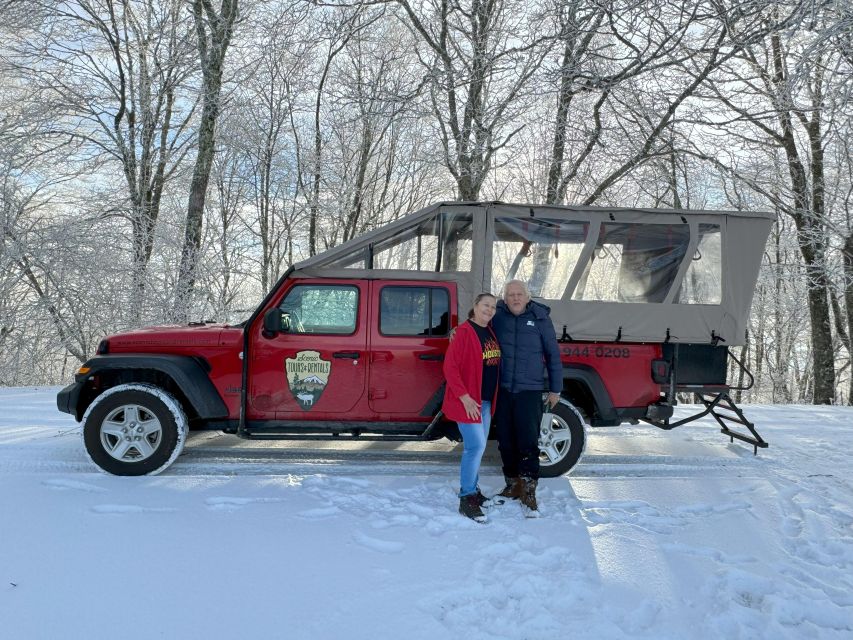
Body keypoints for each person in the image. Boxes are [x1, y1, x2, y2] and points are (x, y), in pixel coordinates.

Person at [491, 280, 562, 517]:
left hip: (529, 391)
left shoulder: (541, 318)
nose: (515, 298)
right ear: (505, 297)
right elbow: (476, 328)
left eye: (519, 294)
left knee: (527, 441)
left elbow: (553, 355)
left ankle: (529, 489)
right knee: (505, 441)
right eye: (510, 294)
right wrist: (456, 331)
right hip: (502, 390)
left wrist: (555, 389)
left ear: (527, 296)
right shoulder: (497, 316)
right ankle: (513, 485)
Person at [441, 293, 502, 523]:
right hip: (468, 401)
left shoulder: (490, 332)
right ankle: (466, 498)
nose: (489, 309)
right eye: (485, 305)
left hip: (485, 401)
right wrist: (464, 397)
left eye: (493, 307)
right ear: (475, 306)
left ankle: (473, 491)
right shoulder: (464, 332)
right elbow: (450, 367)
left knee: (479, 447)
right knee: (474, 447)